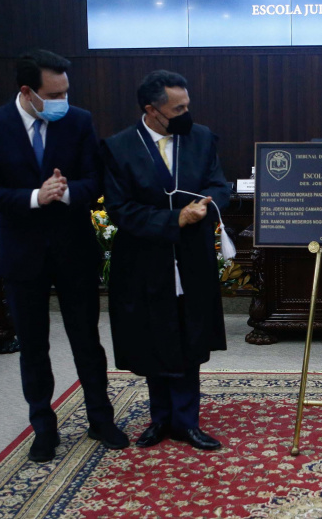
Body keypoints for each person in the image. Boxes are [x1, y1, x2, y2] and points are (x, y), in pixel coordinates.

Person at [0, 49, 128, 462]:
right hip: (21, 253)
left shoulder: (77, 120)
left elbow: (95, 179)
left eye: (66, 91)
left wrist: (68, 192)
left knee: (86, 340)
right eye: (54, 93)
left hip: (73, 249)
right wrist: (35, 197)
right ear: (27, 91)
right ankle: (43, 426)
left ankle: (101, 418)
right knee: (34, 345)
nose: (64, 100)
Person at [101, 70, 230, 450]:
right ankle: (160, 419)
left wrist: (207, 208)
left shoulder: (202, 137)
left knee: (189, 336)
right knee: (153, 335)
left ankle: (187, 422)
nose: (187, 112)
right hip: (145, 260)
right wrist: (175, 218)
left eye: (188, 105)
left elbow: (219, 185)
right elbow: (120, 210)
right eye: (179, 108)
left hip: (191, 257)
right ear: (152, 111)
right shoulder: (118, 147)